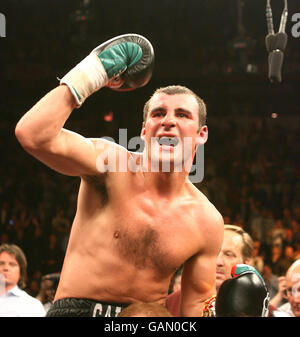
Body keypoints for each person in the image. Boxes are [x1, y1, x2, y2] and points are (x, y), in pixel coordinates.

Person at [15, 34, 224, 317]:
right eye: (159, 113)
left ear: (202, 135)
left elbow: (196, 307)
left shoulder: (206, 220)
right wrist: (93, 72)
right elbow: (33, 135)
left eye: (183, 115)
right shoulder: (111, 165)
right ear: (144, 130)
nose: (168, 121)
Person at [166, 224, 254, 316]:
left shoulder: (260, 308)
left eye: (228, 255)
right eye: (214, 252)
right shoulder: (172, 302)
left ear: (245, 264)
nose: (218, 262)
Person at [0, 244, 46, 317]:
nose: (6, 268)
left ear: (21, 272)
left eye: (12, 264)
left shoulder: (32, 305)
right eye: (1, 263)